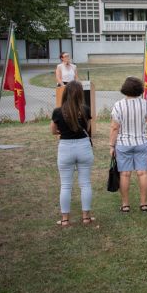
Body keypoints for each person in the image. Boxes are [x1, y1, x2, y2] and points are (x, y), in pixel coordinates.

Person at [50, 81, 94, 226]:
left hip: (65, 147)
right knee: (85, 184)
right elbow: (87, 127)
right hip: (83, 147)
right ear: (80, 93)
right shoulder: (85, 109)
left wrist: (63, 130)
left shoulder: (58, 111)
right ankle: (86, 217)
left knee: (66, 186)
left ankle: (65, 220)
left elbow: (53, 131)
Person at [110, 77, 147, 213]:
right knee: (143, 173)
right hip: (141, 142)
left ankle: (125, 205)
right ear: (139, 89)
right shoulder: (145, 104)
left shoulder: (118, 105)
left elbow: (114, 128)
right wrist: (146, 137)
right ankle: (144, 204)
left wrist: (112, 145)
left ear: (125, 89)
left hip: (123, 144)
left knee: (125, 174)